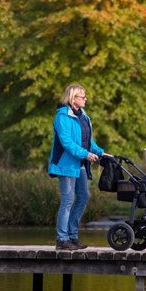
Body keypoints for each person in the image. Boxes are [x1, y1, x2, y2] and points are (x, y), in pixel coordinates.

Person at [49, 84, 108, 250]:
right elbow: (67, 142)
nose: (85, 99)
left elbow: (88, 140)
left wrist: (101, 152)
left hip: (80, 163)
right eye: (82, 96)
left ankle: (72, 236)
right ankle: (62, 239)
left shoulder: (83, 116)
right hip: (66, 164)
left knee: (83, 197)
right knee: (67, 200)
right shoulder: (62, 117)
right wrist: (86, 154)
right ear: (73, 98)